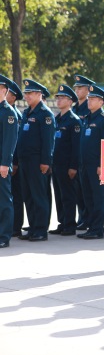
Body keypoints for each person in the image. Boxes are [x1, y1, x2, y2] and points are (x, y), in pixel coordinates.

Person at [16, 80, 55, 242]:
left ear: (39, 95)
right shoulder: (27, 113)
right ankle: (32, 227)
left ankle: (40, 230)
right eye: (26, 93)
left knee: (39, 196)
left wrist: (46, 161)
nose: (27, 96)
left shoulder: (45, 114)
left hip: (38, 161)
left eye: (30, 93)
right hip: (25, 161)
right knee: (29, 196)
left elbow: (48, 141)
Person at [78, 85, 104, 240]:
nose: (89, 101)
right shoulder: (87, 118)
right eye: (89, 99)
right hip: (85, 165)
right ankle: (91, 226)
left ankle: (98, 229)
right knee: (88, 196)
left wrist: (102, 165)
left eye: (93, 99)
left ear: (101, 102)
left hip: (98, 166)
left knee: (99, 197)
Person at [49, 85, 82, 237]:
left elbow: (76, 147)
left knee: (68, 195)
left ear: (70, 101)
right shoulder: (57, 119)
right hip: (56, 164)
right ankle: (62, 222)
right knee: (59, 194)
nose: (59, 100)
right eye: (58, 97)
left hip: (67, 165)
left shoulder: (73, 121)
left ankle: (69, 225)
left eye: (62, 98)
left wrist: (73, 166)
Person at [72, 74, 94, 231]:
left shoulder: (90, 108)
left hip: (88, 157)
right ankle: (82, 217)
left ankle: (89, 219)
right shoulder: (74, 109)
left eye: (80, 88)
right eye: (76, 88)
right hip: (77, 155)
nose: (77, 91)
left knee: (89, 192)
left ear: (88, 90)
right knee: (79, 191)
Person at [0, 74, 19, 248]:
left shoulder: (8, 113)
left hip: (1, 164)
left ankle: (4, 236)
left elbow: (9, 141)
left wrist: (5, 164)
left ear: (4, 91)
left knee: (4, 200)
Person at [7, 80, 24, 238]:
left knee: (16, 196)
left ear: (13, 97)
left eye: (8, 94)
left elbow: (16, 143)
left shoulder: (15, 115)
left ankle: (15, 226)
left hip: (14, 162)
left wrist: (15, 162)